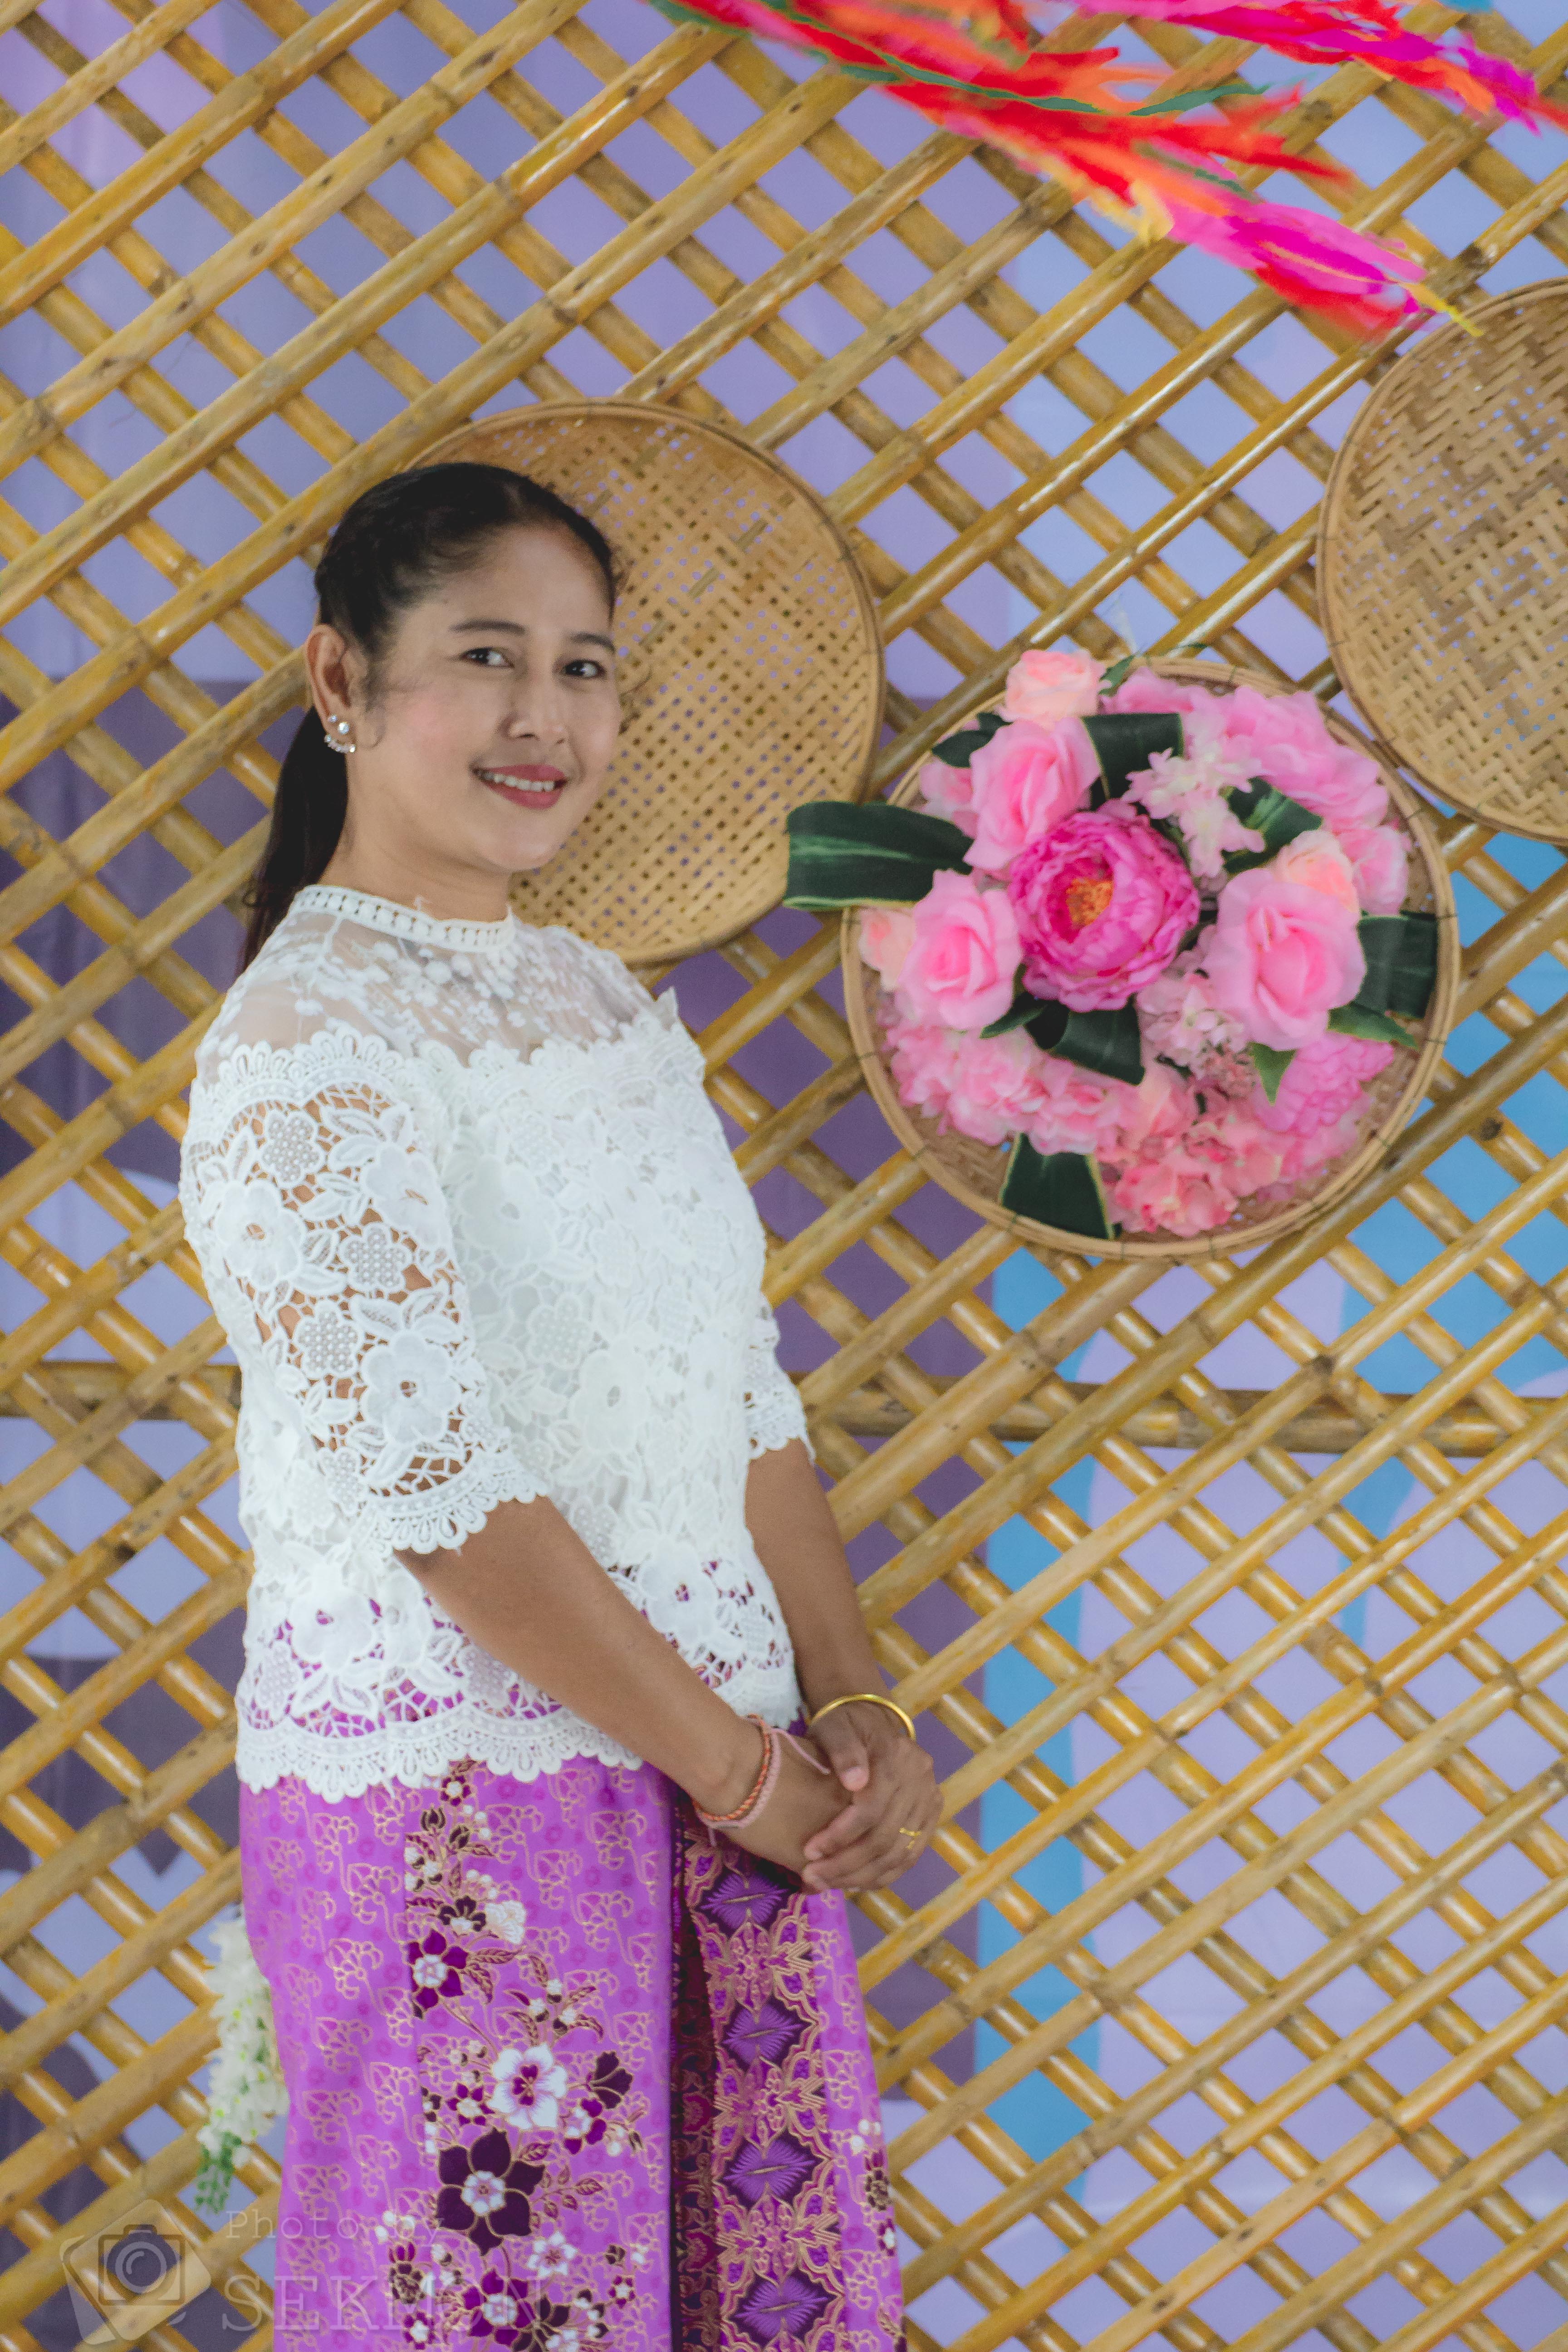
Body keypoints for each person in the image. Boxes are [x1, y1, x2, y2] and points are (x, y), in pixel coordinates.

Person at [177, 457, 940, 2350]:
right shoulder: (303, 1042)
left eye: (585, 668)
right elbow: (441, 1499)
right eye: (488, 657)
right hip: (465, 1801)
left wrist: (851, 1705)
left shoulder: (600, 1005)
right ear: (342, 682)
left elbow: (734, 1389)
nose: (547, 717)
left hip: (731, 1775)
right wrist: (742, 1770)